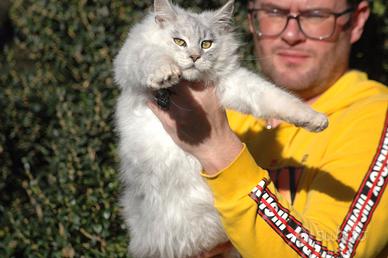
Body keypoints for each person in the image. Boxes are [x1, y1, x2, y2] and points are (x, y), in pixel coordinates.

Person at [148, 0, 388, 257]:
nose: (291, 34)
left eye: (315, 15)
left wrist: (217, 149)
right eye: (274, 12)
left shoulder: (374, 117)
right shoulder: (216, 108)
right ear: (251, 19)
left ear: (356, 21)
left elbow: (332, 254)